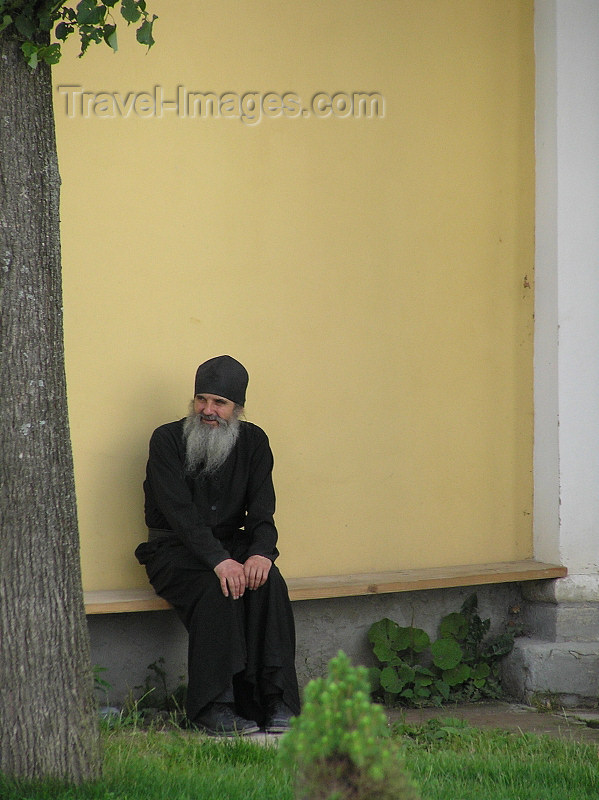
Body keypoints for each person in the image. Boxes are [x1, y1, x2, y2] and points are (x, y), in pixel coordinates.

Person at [135, 355, 300, 736]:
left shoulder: (255, 442)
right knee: (219, 585)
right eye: (201, 399)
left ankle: (275, 700)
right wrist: (219, 561)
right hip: (174, 551)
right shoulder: (166, 440)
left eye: (219, 403)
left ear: (237, 408)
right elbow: (181, 516)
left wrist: (260, 553)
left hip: (233, 546)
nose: (208, 411)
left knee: (269, 581)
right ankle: (215, 705)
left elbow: (262, 510)